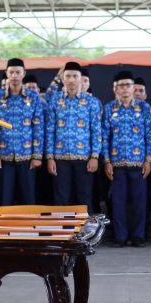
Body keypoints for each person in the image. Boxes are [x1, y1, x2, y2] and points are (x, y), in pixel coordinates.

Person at [102, 71, 151, 247]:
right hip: (116, 164)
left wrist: (148, 160)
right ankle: (120, 236)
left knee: (139, 202)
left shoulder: (144, 108)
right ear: (115, 89)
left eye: (128, 85)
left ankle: (138, 235)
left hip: (138, 163)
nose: (125, 88)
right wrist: (107, 161)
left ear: (133, 88)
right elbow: (105, 137)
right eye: (121, 85)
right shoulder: (109, 108)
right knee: (118, 202)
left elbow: (150, 135)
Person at [45, 62, 100, 206]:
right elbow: (50, 130)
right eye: (68, 76)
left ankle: (84, 229)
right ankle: (63, 228)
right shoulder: (55, 100)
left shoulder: (91, 102)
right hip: (60, 159)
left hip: (84, 159)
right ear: (63, 79)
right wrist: (50, 157)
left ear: (81, 79)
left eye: (75, 76)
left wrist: (95, 156)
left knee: (84, 198)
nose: (71, 79)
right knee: (61, 199)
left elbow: (96, 131)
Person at [0, 58, 44, 206]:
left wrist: (37, 156)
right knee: (5, 200)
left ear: (23, 74)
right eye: (11, 72)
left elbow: (38, 127)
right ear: (6, 73)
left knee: (28, 199)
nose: (14, 75)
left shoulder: (33, 97)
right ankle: (5, 229)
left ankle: (30, 229)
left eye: (17, 72)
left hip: (27, 157)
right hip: (4, 157)